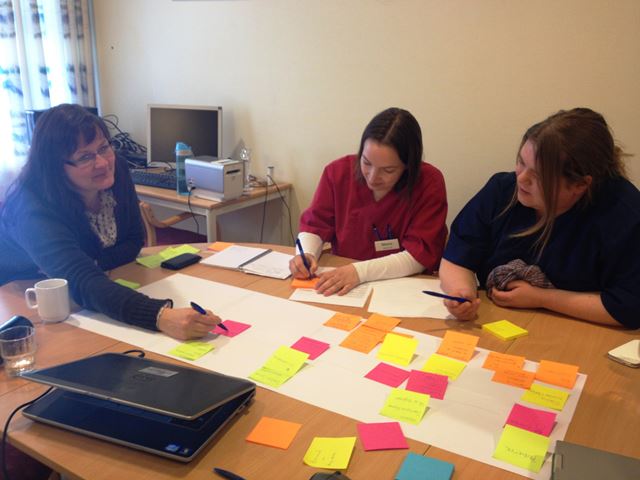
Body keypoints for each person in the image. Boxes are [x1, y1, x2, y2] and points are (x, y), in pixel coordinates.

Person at [0, 104, 221, 339]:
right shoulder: (30, 206)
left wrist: (90, 266)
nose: (103, 163)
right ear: (55, 166)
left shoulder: (118, 171)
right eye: (85, 157)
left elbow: (134, 241)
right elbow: (80, 280)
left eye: (104, 147)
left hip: (97, 288)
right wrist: (160, 316)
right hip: (28, 300)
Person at [440, 107, 640, 329]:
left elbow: (628, 307)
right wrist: (462, 293)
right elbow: (457, 257)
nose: (522, 179)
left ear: (580, 184)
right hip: (498, 324)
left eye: (538, 176)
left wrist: (541, 298)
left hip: (580, 334)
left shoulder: (622, 214)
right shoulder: (501, 190)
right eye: (521, 163)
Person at [289, 107, 448, 295]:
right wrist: (306, 254)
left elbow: (419, 255)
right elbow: (315, 224)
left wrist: (359, 272)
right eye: (366, 162)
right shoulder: (338, 172)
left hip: (401, 288)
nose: (372, 178)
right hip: (345, 282)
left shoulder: (429, 183)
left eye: (388, 170)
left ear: (408, 166)